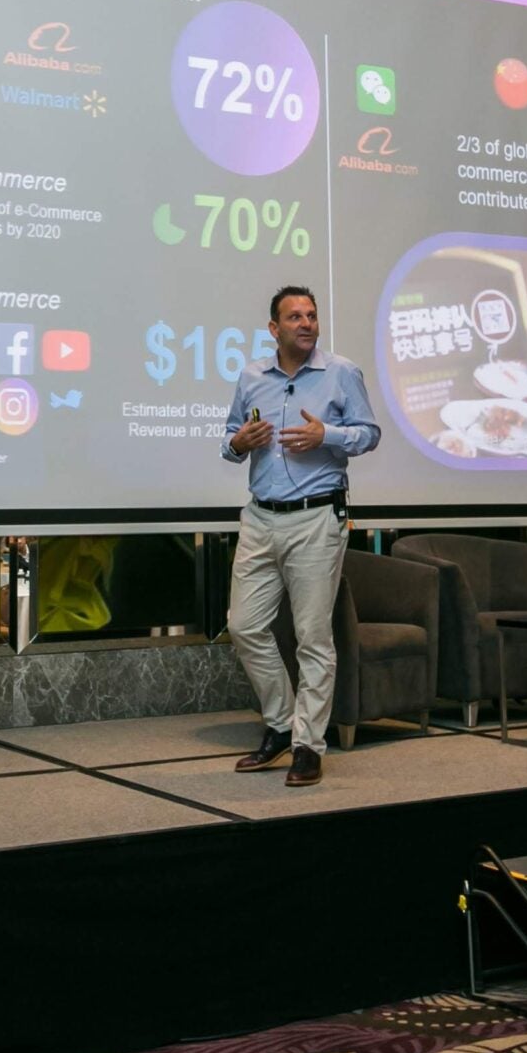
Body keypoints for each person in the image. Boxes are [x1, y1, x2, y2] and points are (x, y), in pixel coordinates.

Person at [222, 285, 380, 786]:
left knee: (313, 636)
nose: (306, 323)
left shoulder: (342, 372)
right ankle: (280, 724)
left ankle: (308, 744)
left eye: (311, 315)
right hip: (260, 518)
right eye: (295, 317)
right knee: (243, 626)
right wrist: (239, 442)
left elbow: (369, 433)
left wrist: (326, 435)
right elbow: (229, 441)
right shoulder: (252, 377)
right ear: (274, 328)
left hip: (316, 518)